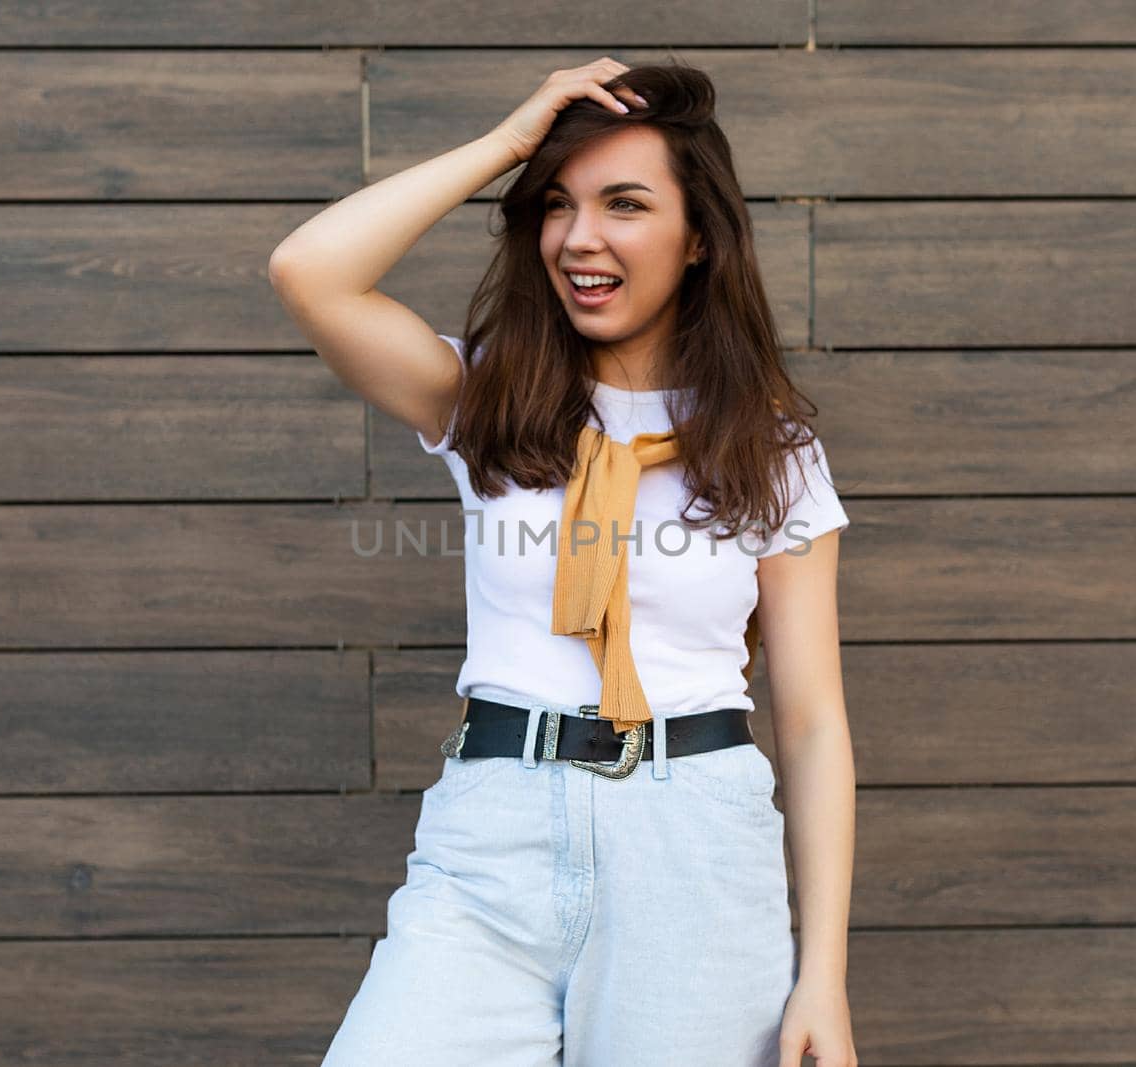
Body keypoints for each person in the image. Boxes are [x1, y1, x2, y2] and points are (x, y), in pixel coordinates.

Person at [269, 57, 860, 1067]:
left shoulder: (773, 451)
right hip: (489, 834)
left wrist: (824, 975)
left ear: (700, 238)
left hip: (695, 850)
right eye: (556, 205)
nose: (579, 237)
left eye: (624, 204)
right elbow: (309, 271)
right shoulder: (483, 398)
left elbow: (810, 723)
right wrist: (508, 145)